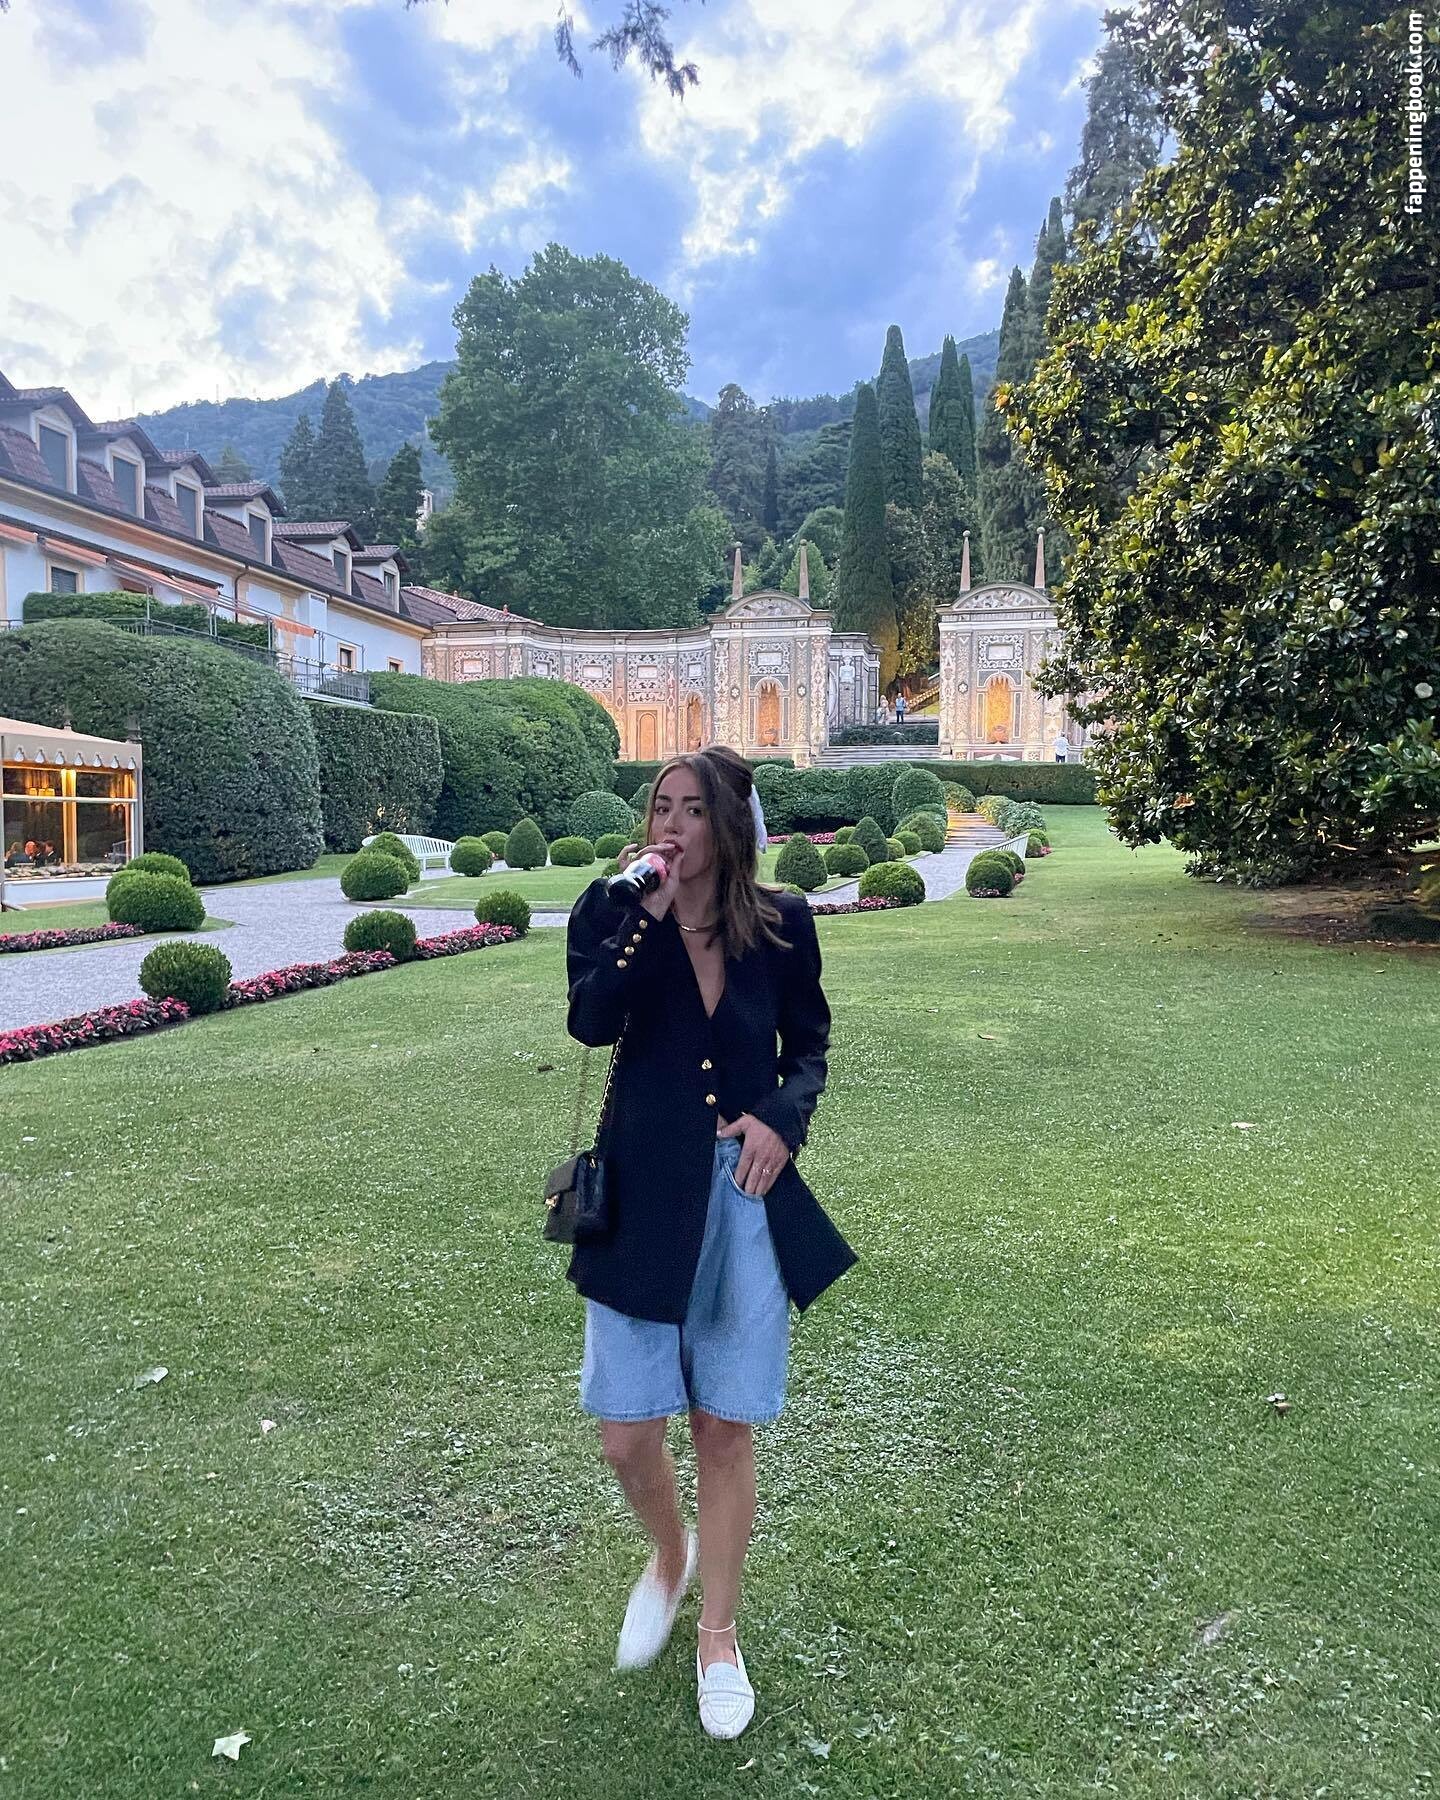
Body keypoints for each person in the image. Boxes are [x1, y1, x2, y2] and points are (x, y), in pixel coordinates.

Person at [564, 744, 857, 1741]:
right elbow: (590, 1023)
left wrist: (781, 1118)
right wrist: (640, 921)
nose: (672, 826)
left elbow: (808, 1046)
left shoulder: (780, 925)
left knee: (723, 1428)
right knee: (625, 1435)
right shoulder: (611, 913)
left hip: (741, 1200)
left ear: (728, 828)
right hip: (641, 1201)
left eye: (692, 810)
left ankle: (718, 1635)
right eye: (662, 808)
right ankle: (669, 1553)